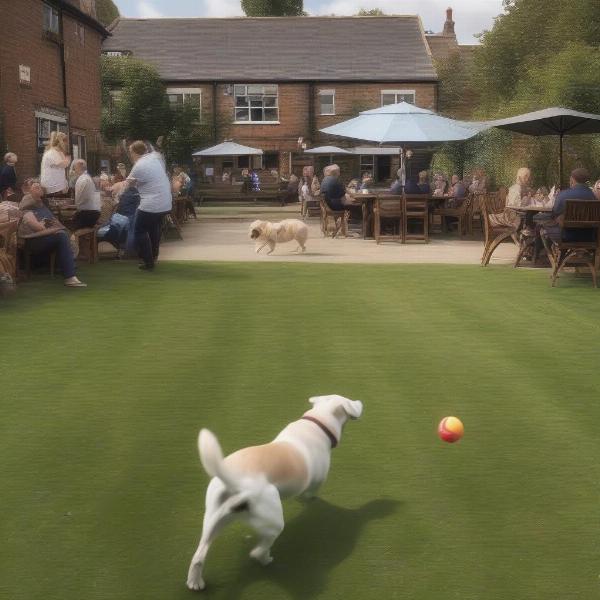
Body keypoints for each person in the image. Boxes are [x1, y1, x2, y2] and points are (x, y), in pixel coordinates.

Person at [18, 179, 86, 287]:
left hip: (44, 237)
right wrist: (54, 228)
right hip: (33, 241)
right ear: (27, 191)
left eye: (39, 186)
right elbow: (38, 227)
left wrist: (59, 228)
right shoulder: (27, 205)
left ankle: (68, 271)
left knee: (63, 235)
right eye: (36, 187)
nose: (40, 188)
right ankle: (70, 277)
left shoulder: (41, 204)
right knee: (61, 236)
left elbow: (52, 221)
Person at [126, 140, 172, 271]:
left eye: (130, 152)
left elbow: (127, 184)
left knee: (139, 231)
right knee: (154, 228)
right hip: (165, 203)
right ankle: (154, 256)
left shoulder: (139, 165)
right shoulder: (155, 157)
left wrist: (114, 188)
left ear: (134, 152)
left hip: (151, 204)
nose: (130, 155)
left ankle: (148, 261)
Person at [544, 168, 598, 242]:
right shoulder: (594, 197)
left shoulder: (563, 195)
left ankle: (541, 253)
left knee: (541, 226)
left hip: (566, 235)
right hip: (589, 236)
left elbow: (555, 213)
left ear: (572, 179)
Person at [71, 159, 101, 229]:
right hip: (92, 212)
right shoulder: (86, 178)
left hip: (87, 213)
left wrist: (76, 209)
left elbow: (81, 199)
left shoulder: (83, 179)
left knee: (71, 228)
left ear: (78, 166)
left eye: (74, 167)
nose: (73, 170)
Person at [40, 131, 71, 198]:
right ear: (62, 142)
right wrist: (68, 157)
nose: (67, 144)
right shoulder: (52, 153)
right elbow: (64, 164)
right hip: (53, 189)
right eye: (66, 141)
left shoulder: (56, 152)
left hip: (56, 188)